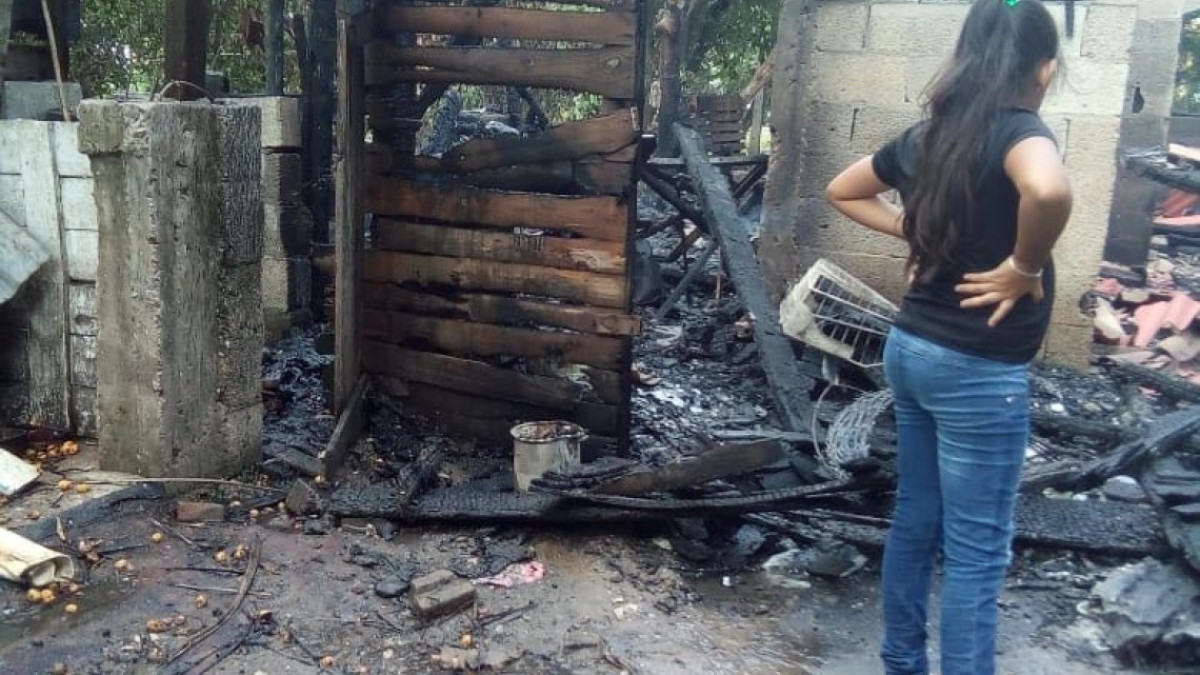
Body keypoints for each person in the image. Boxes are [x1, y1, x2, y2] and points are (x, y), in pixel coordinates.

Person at [823, 1, 1073, 674]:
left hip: (912, 350)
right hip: (977, 372)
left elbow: (842, 189)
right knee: (977, 552)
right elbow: (1048, 192)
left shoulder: (928, 137)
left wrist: (911, 227)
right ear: (1044, 69)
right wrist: (1023, 266)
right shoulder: (1021, 133)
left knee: (916, 520)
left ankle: (902, 663)